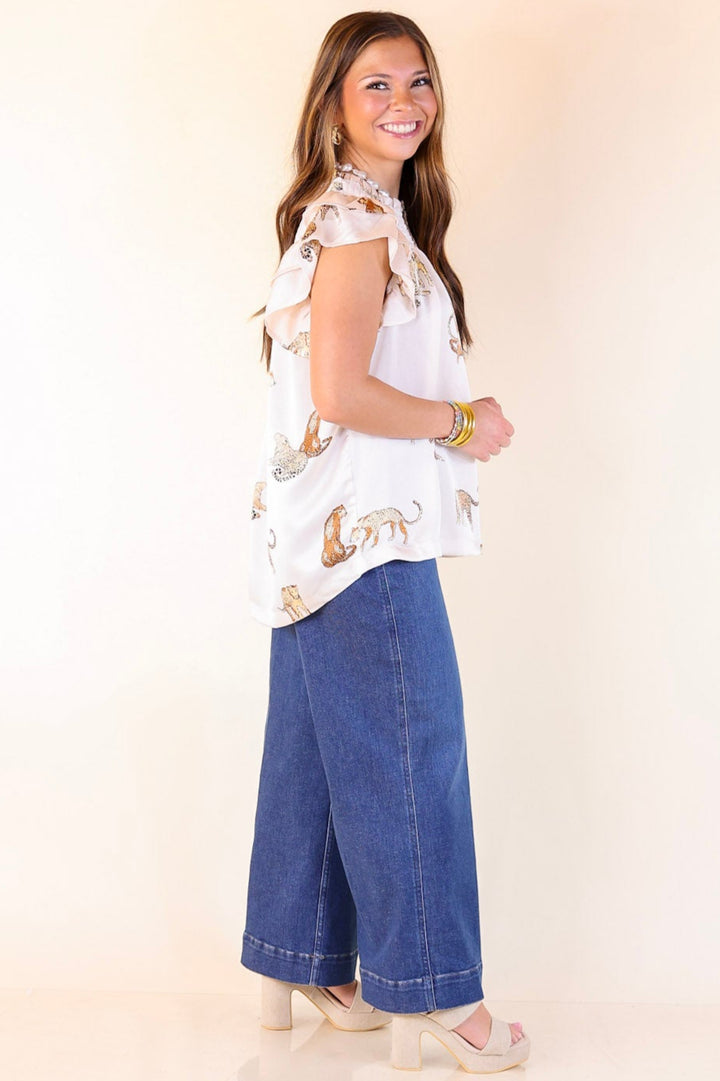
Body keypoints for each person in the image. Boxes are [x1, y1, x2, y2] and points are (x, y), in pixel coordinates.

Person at [240, 11, 530, 1074]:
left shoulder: (356, 214)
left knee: (316, 754)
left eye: (419, 82)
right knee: (416, 751)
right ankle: (441, 997)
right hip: (367, 541)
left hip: (316, 539)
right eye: (376, 86)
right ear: (332, 107)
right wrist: (465, 420)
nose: (405, 102)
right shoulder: (357, 219)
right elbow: (342, 389)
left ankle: (300, 957)